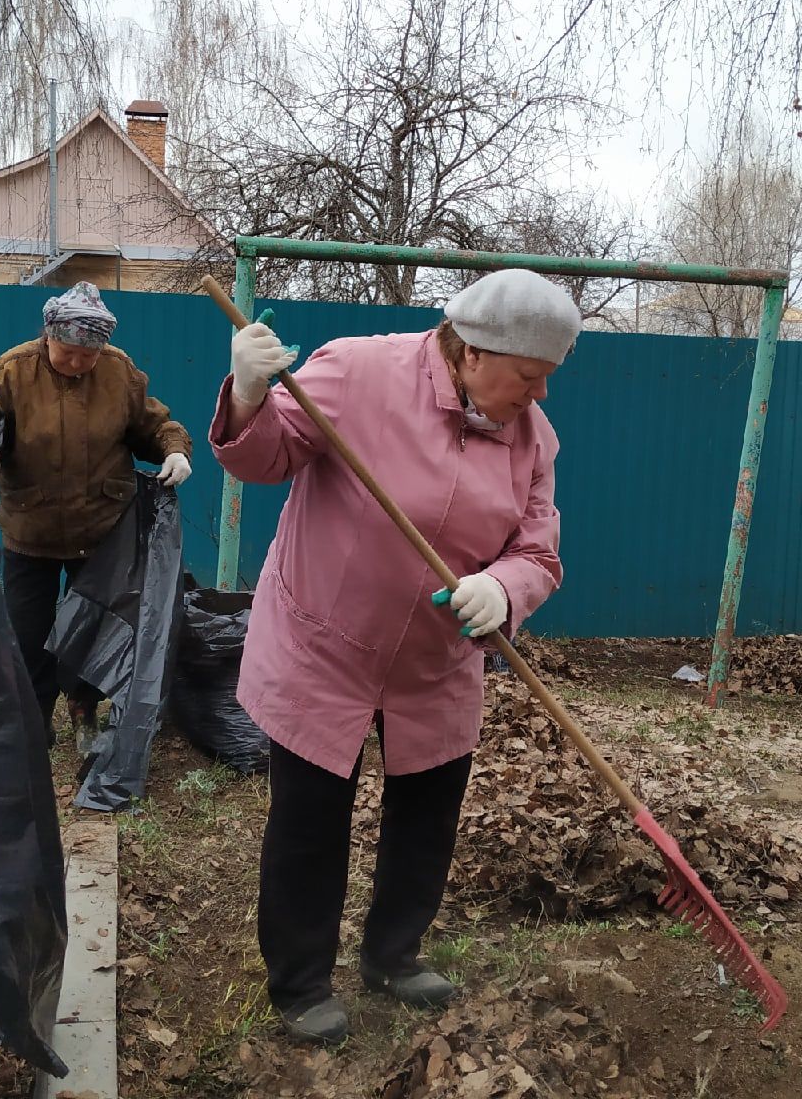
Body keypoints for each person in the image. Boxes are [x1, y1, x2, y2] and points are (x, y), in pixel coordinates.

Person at [211, 268, 579, 1046]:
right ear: (474, 352)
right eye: (529, 377)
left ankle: (393, 955)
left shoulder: (531, 439)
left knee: (426, 819)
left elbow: (538, 550)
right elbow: (264, 457)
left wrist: (503, 590)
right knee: (311, 820)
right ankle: (302, 980)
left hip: (435, 661)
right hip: (324, 644)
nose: (539, 396)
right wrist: (247, 394)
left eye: (549, 379)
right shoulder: (359, 371)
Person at [0, 282, 193, 744]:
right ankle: (33, 721)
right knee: (29, 635)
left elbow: (156, 424)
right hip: (31, 529)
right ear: (49, 336)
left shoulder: (119, 372)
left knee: (93, 633)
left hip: (101, 530)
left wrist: (174, 449)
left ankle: (85, 710)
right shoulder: (10, 373)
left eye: (90, 355)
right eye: (69, 352)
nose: (80, 363)